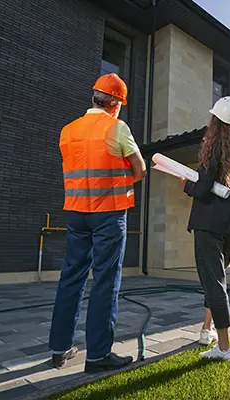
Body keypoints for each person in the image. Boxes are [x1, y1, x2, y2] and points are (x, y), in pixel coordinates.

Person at [49, 73, 146, 373]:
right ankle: (98, 355)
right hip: (109, 213)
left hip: (77, 212)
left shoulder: (67, 131)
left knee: (71, 278)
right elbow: (139, 169)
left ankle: (59, 349)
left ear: (94, 98)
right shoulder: (117, 128)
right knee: (105, 281)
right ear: (115, 103)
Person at [182, 96, 230, 361]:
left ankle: (224, 348)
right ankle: (206, 329)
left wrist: (186, 183)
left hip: (209, 225)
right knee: (217, 281)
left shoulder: (213, 150)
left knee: (214, 283)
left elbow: (201, 188)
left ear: (217, 122)